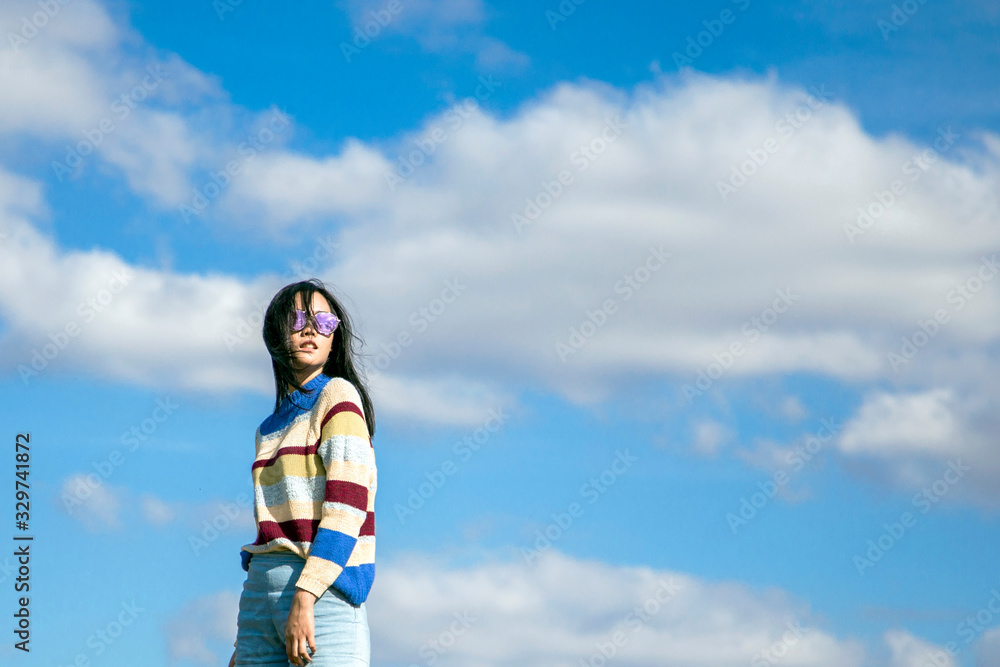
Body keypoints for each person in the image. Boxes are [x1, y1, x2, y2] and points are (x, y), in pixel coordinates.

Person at [230, 279, 377, 666]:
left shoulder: (338, 397)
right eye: (298, 319)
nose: (311, 329)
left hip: (322, 596)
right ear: (276, 333)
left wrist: (305, 595)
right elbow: (273, 527)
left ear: (334, 338)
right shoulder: (267, 428)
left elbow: (346, 508)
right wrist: (246, 636)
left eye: (324, 322)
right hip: (260, 597)